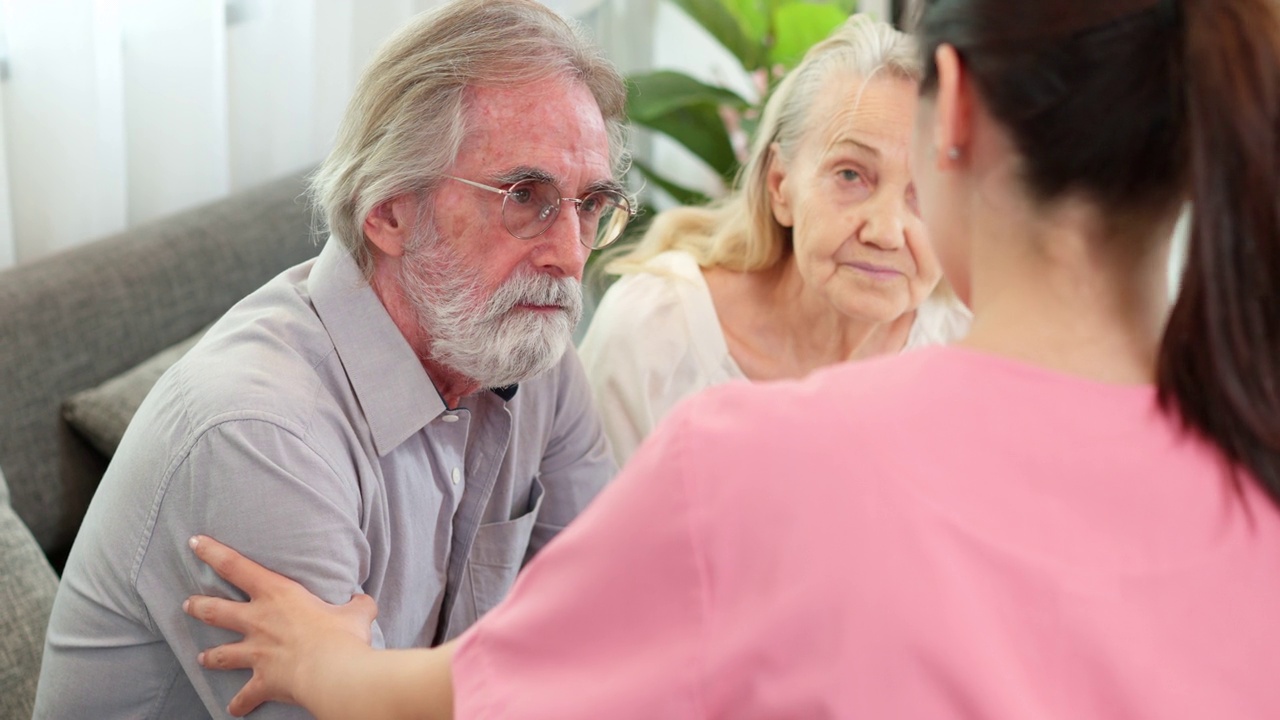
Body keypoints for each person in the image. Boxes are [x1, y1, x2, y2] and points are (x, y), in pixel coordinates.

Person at [184, 0, 1280, 717]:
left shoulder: (763, 460)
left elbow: (523, 677)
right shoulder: (1251, 462)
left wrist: (332, 671)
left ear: (951, 115)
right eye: (848, 174)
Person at [33, 0, 626, 717]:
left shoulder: (530, 346)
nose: (569, 255)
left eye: (591, 203)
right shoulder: (257, 433)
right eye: (524, 196)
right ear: (387, 213)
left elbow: (615, 633)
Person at [579, 16, 970, 465]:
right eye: (850, 175)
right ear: (780, 185)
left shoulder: (972, 344)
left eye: (928, 191)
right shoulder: (656, 336)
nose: (884, 232)